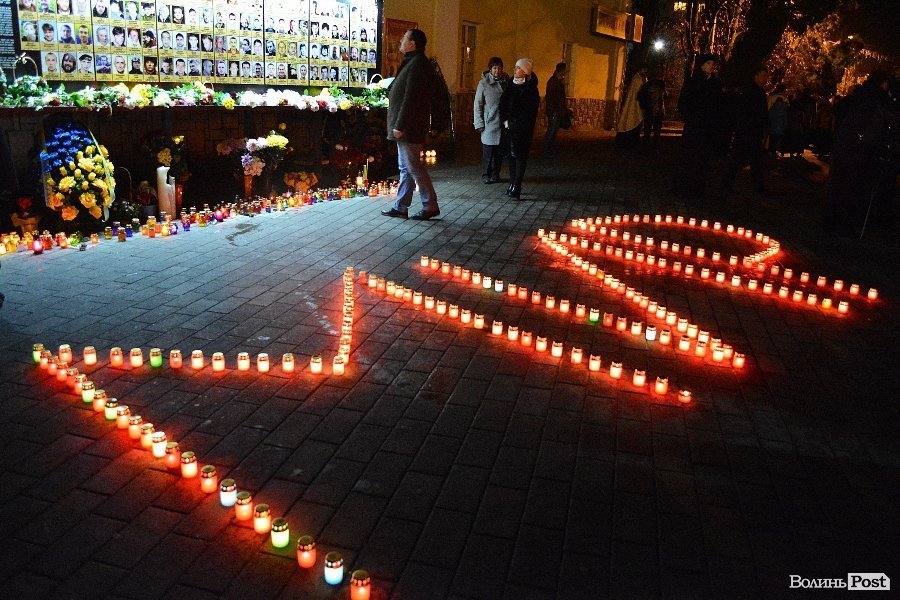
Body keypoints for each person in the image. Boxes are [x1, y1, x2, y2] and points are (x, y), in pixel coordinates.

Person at [823, 70, 896, 235]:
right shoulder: (880, 99)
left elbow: (838, 110)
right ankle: (844, 224)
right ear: (884, 83)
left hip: (844, 144)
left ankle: (829, 219)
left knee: (837, 183)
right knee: (853, 187)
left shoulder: (858, 94)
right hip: (861, 149)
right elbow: (890, 120)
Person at [382, 28, 440, 220]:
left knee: (413, 166)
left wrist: (400, 125)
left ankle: (430, 205)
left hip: (409, 126)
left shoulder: (417, 64)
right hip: (408, 125)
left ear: (412, 44)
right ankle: (401, 206)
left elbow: (411, 98)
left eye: (404, 39)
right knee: (406, 167)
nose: (401, 41)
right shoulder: (412, 62)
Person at [671, 54, 725, 199]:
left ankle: (697, 189)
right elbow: (683, 103)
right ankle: (682, 187)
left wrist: (715, 121)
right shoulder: (693, 82)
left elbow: (719, 105)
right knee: (689, 157)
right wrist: (692, 117)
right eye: (708, 63)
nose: (711, 66)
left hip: (707, 129)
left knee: (702, 160)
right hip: (694, 127)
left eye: (713, 64)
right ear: (702, 65)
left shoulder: (716, 84)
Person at [721, 67, 769, 195]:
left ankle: (757, 186)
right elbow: (745, 112)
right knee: (740, 159)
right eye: (763, 76)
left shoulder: (758, 91)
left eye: (766, 76)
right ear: (756, 76)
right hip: (747, 132)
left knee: (754, 160)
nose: (765, 79)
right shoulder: (750, 92)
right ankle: (728, 183)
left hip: (753, 132)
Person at [499, 58, 540, 199]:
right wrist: (505, 119)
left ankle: (517, 185)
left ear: (526, 72)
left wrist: (515, 122)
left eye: (518, 68)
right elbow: (503, 103)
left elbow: (529, 112)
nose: (515, 70)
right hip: (508, 128)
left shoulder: (531, 90)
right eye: (515, 67)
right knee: (511, 156)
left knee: (520, 156)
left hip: (522, 130)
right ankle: (511, 183)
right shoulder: (511, 85)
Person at [474, 56, 509, 184]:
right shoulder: (483, 84)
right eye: (494, 68)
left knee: (499, 152)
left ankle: (496, 174)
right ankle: (486, 174)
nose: (497, 71)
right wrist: (479, 123)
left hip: (502, 123)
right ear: (490, 69)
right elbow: (478, 104)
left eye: (499, 68)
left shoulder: (506, 83)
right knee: (488, 152)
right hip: (489, 122)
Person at [616, 64, 648, 150]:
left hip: (637, 104)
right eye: (644, 70)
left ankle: (632, 143)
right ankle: (629, 143)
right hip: (634, 104)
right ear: (641, 69)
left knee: (634, 122)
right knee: (631, 121)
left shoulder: (639, 78)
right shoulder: (637, 79)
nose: (645, 72)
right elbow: (639, 92)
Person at [542, 62, 567, 158]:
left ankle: (550, 149)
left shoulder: (559, 81)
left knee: (554, 131)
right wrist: (553, 111)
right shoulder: (553, 81)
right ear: (561, 70)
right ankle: (546, 150)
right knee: (551, 131)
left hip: (557, 111)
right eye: (565, 70)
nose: (566, 72)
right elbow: (551, 97)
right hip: (554, 111)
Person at [638, 71, 666, 151]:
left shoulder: (646, 86)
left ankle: (645, 146)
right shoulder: (661, 84)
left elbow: (640, 97)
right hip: (658, 111)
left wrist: (644, 106)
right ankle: (655, 146)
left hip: (649, 110)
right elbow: (664, 97)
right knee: (657, 130)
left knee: (647, 129)